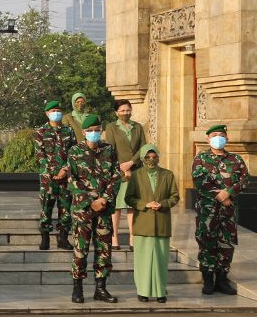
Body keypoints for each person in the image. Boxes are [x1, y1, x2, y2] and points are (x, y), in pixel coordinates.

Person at [66, 115, 121, 304]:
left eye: (97, 130)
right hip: (83, 210)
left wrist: (104, 199)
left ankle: (101, 288)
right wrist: (91, 201)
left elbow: (116, 176)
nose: (94, 133)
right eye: (90, 131)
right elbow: (72, 181)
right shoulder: (75, 151)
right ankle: (77, 288)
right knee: (81, 249)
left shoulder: (108, 150)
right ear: (83, 133)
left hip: (104, 209)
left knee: (104, 249)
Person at [191, 124, 249, 295]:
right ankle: (208, 279)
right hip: (207, 211)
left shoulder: (236, 159)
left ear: (227, 139)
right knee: (207, 242)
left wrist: (229, 192)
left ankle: (222, 279)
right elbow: (199, 182)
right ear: (208, 139)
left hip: (229, 211)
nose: (218, 138)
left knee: (226, 243)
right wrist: (221, 196)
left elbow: (244, 180)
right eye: (215, 135)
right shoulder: (200, 158)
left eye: (221, 135)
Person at [126, 144, 179, 303]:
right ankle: (142, 291)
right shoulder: (136, 175)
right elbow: (129, 198)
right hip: (143, 223)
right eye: (147, 157)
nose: (151, 159)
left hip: (161, 223)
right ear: (142, 158)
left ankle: (160, 291)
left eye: (154, 156)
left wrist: (162, 203)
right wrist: (145, 204)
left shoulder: (168, 175)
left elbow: (175, 196)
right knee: (143, 260)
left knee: (161, 260)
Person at [103, 99, 146, 250]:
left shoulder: (138, 127)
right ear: (116, 112)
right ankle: (114, 237)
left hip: (135, 170)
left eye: (128, 110)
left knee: (131, 206)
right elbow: (109, 149)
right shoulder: (111, 127)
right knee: (116, 206)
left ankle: (132, 237)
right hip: (118, 171)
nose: (125, 113)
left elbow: (143, 148)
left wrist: (131, 163)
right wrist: (122, 168)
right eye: (122, 111)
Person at [34, 100, 76, 251]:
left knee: (65, 208)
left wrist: (64, 170)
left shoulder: (68, 131)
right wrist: (52, 171)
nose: (56, 113)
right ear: (47, 113)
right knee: (46, 207)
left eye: (58, 110)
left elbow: (74, 153)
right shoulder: (41, 132)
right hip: (48, 178)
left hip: (65, 177)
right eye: (53, 111)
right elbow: (39, 154)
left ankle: (63, 239)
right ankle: (45, 239)